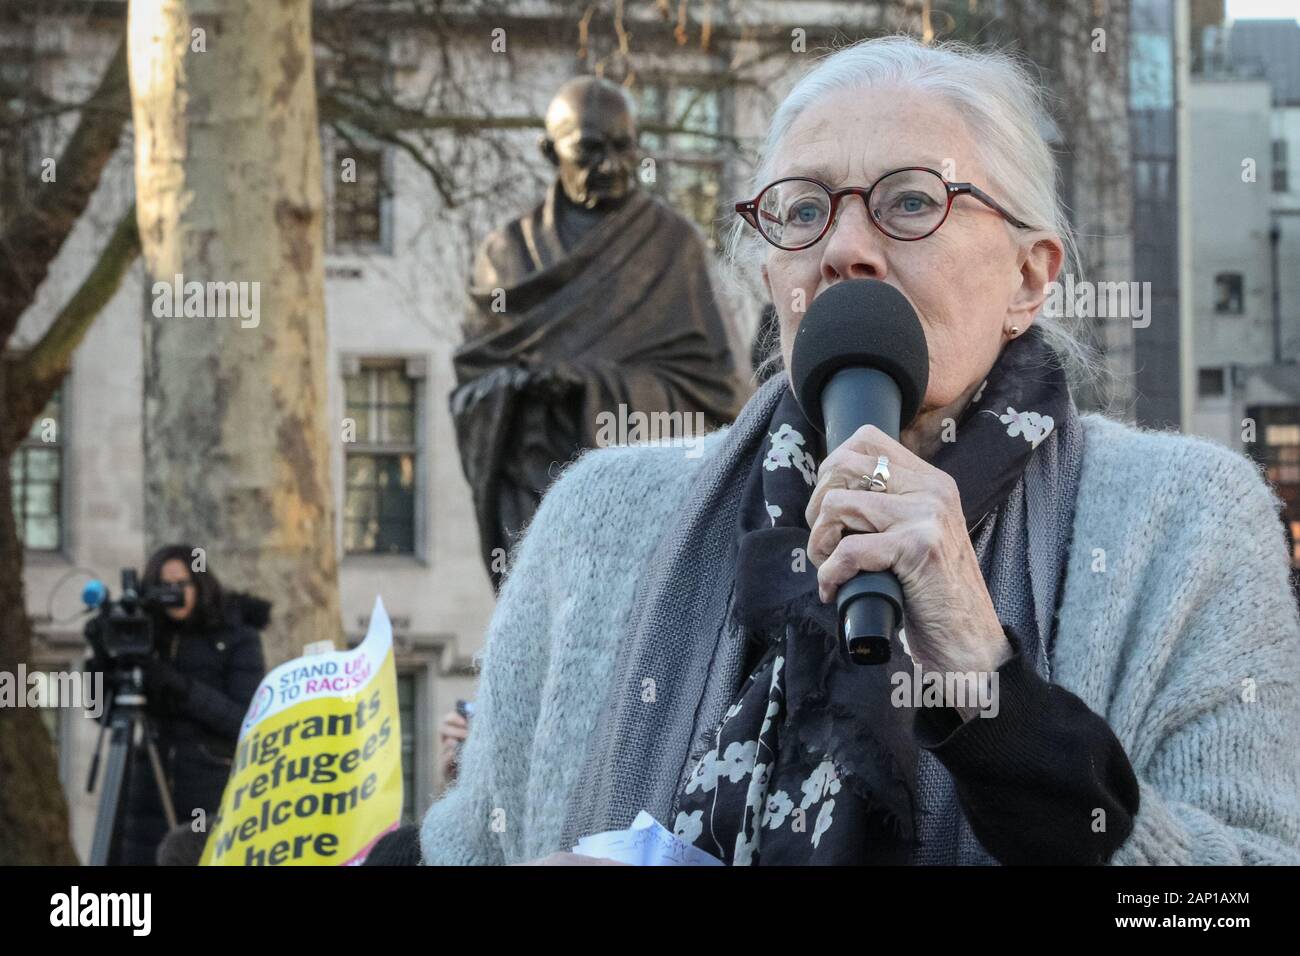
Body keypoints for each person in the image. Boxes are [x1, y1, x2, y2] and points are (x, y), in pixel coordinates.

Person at [420, 36, 1300, 866]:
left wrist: (989, 692)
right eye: (802, 211)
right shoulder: (596, 516)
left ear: (1030, 276)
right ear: (772, 274)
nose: (843, 248)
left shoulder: (1191, 521)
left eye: (911, 201)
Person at [449, 75, 746, 590]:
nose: (610, 166)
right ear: (549, 151)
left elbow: (726, 399)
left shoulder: (674, 247)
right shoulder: (506, 255)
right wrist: (523, 391)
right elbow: (472, 391)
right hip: (535, 500)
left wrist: (590, 387)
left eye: (623, 147)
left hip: (648, 515)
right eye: (587, 150)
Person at [87, 543, 267, 865]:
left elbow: (245, 720)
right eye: (163, 587)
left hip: (208, 793)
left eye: (181, 585)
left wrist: (178, 687)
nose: (173, 594)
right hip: (146, 794)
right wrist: (101, 655)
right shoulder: (147, 634)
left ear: (200, 584)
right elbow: (102, 713)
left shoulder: (237, 636)